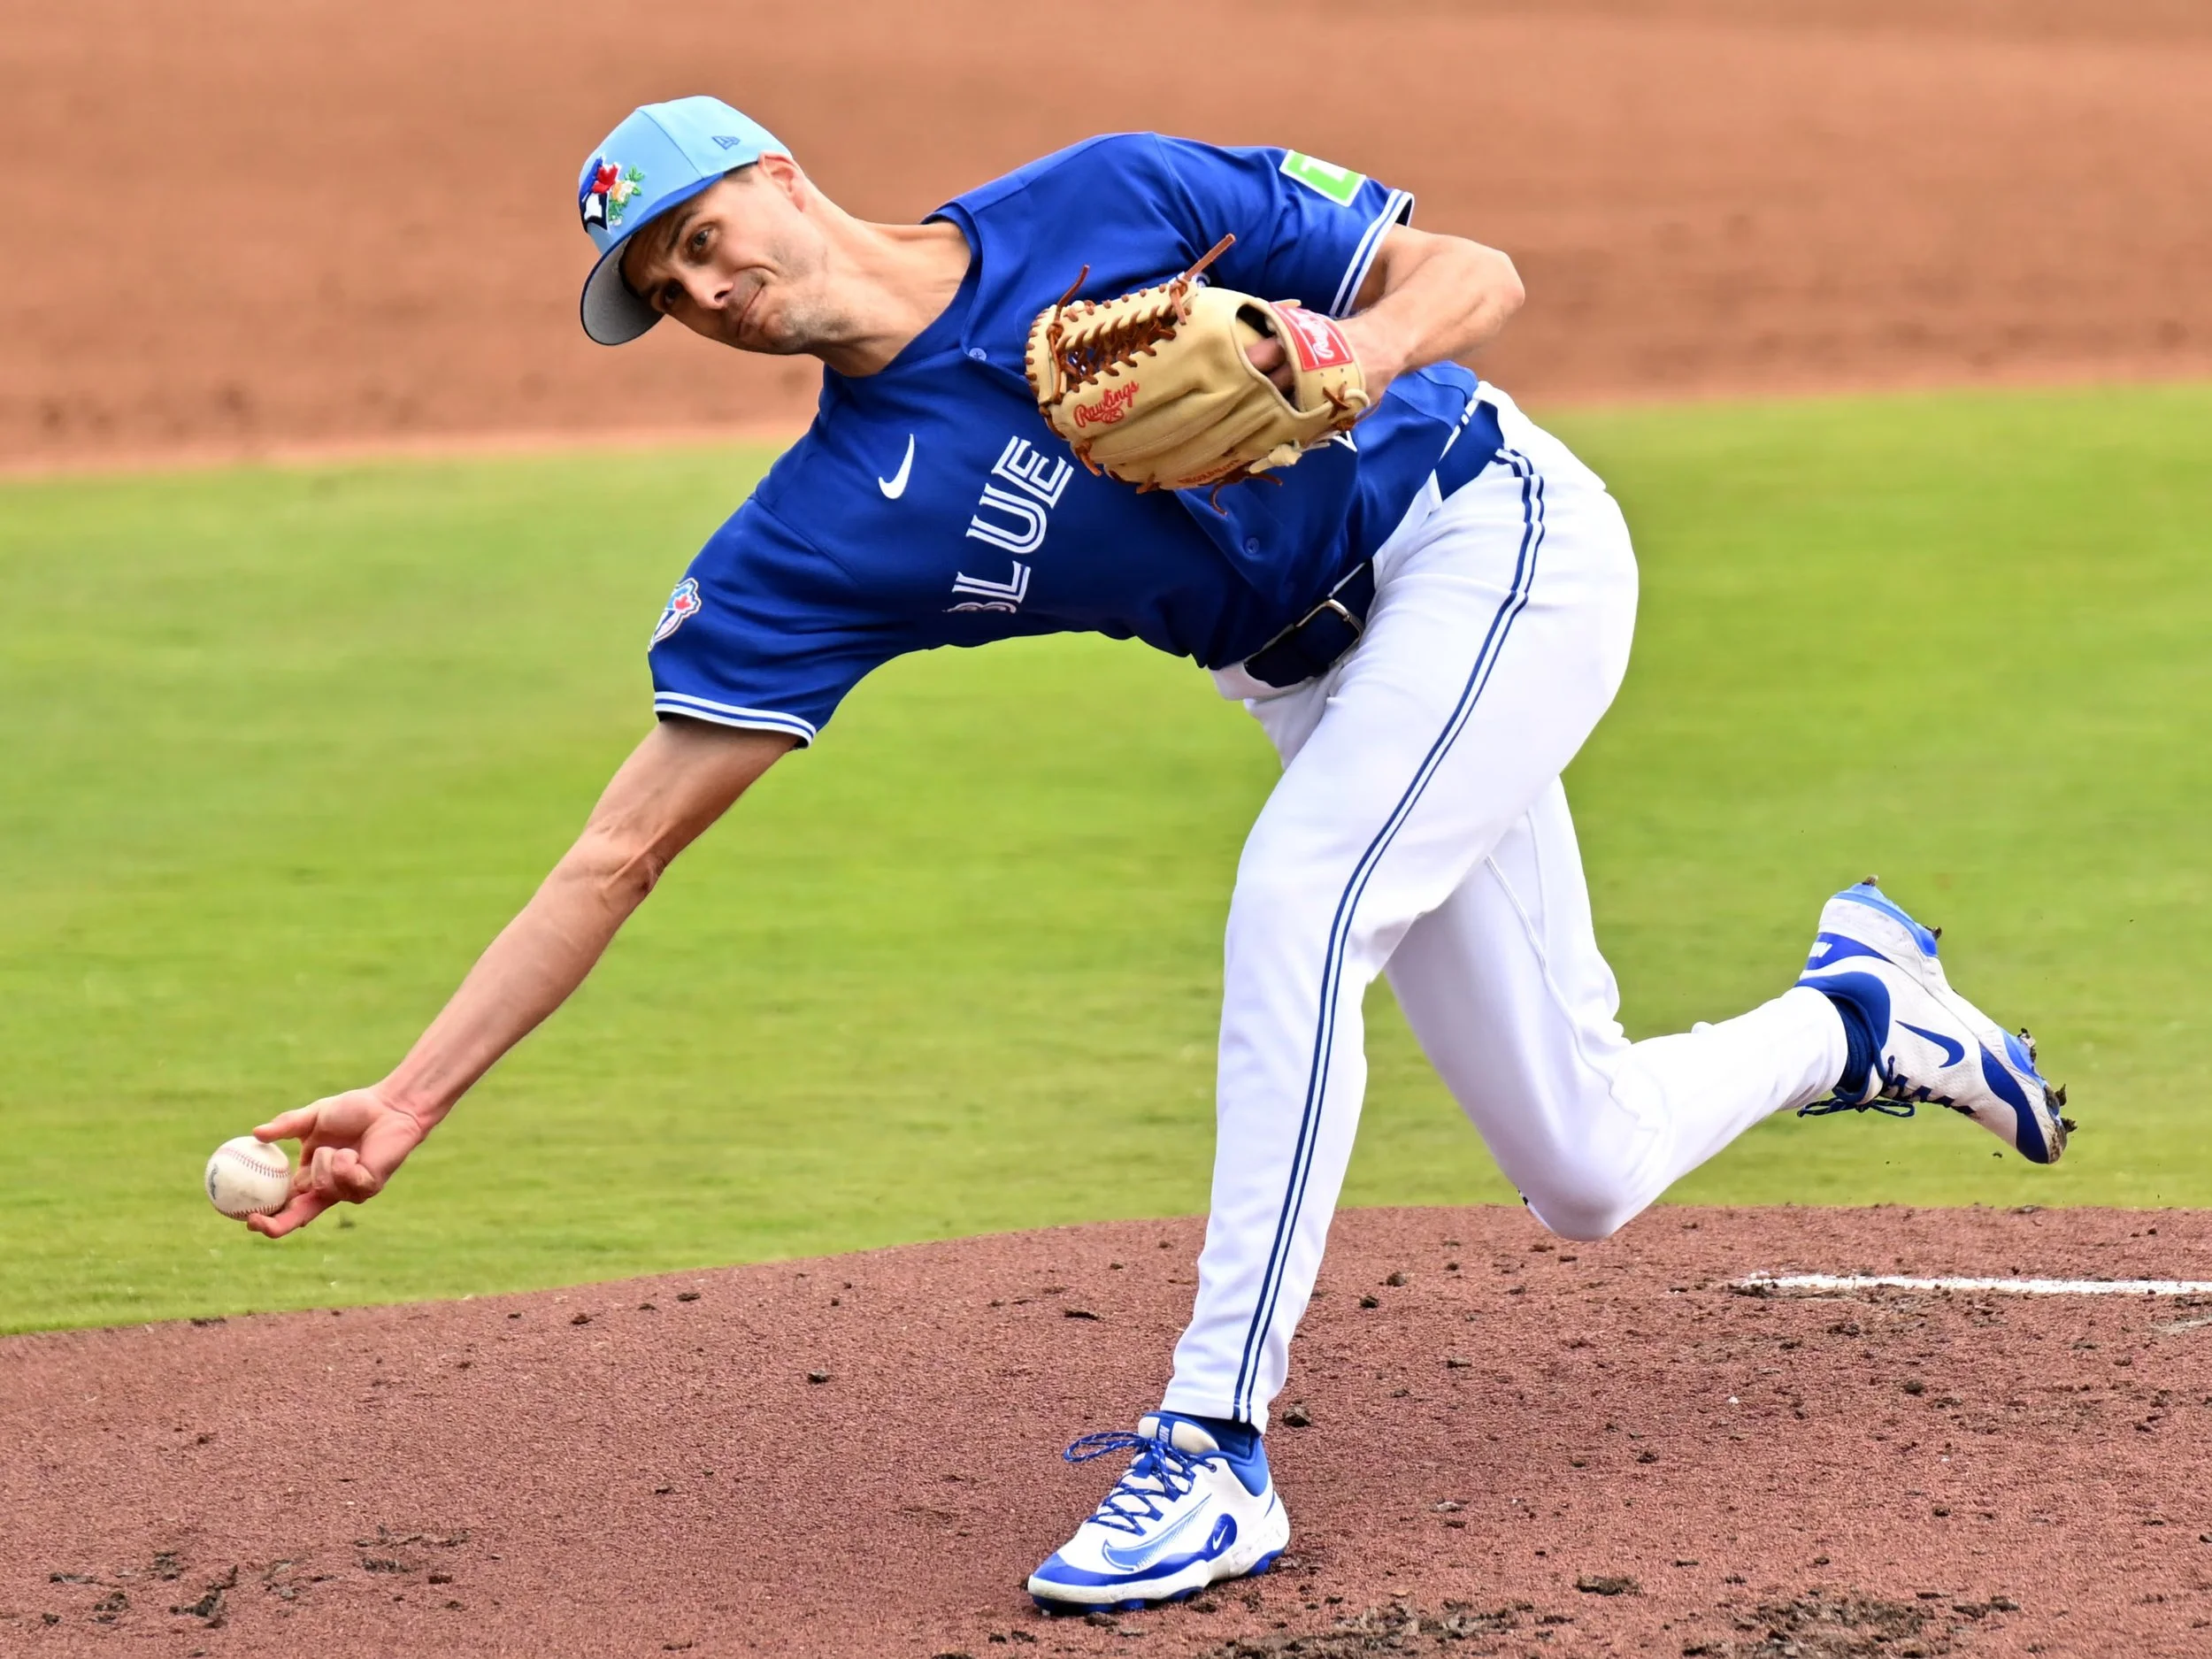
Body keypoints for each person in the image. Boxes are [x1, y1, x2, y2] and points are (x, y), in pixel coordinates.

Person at [247, 96, 2070, 1613]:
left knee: (1300, 902)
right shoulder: (814, 537)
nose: (713, 290)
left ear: (780, 176)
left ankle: (1209, 1447)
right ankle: (1860, 1014)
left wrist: (1356, 352)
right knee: (1582, 1165)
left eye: (710, 237)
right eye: (671, 290)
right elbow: (614, 851)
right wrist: (413, 1094)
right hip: (1321, 688)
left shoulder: (1105, 199)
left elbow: (1467, 271)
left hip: (1487, 541)